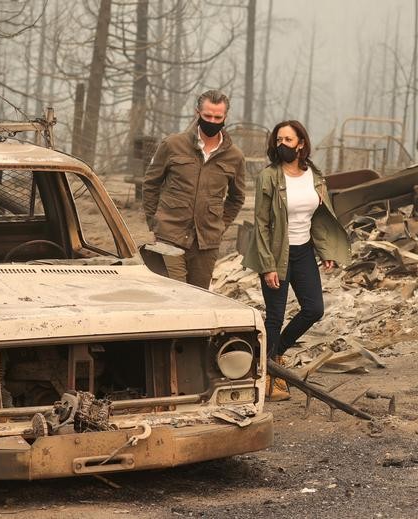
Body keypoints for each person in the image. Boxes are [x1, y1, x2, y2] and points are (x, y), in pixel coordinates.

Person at [243, 120, 351, 401]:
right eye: (278, 140)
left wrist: (324, 250)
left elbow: (318, 216)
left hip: (303, 251)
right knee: (275, 316)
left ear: (301, 144)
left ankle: (275, 354)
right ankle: (268, 376)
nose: (282, 145)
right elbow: (261, 223)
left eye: (288, 140)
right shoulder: (268, 177)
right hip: (277, 254)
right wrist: (267, 266)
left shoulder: (314, 176)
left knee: (314, 309)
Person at [142, 89, 246, 289]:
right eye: (207, 116)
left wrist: (220, 225)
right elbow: (151, 183)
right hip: (169, 236)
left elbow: (236, 198)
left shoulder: (235, 156)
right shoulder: (173, 144)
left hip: (207, 243)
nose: (213, 121)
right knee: (174, 295)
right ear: (197, 113)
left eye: (218, 117)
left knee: (198, 298)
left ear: (225, 117)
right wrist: (155, 222)